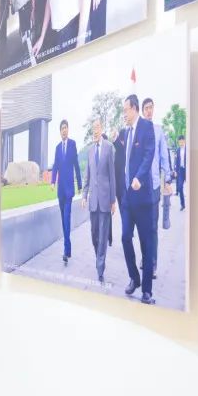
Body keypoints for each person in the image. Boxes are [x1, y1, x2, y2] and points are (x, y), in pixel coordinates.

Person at [116, 95, 156, 305]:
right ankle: (134, 277)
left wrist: (139, 177)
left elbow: (149, 154)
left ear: (134, 109)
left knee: (146, 244)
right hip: (127, 198)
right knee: (125, 237)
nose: (124, 113)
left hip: (143, 197)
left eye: (125, 110)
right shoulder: (126, 132)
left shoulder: (146, 127)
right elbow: (125, 156)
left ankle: (147, 290)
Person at [82, 119, 116, 283]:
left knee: (102, 236)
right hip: (93, 201)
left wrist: (113, 200)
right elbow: (87, 176)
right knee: (94, 235)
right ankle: (99, 258)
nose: (95, 130)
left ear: (102, 129)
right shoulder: (90, 150)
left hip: (105, 199)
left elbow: (112, 175)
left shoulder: (109, 147)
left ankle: (100, 267)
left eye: (97, 127)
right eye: (93, 128)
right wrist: (84, 195)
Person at [142, 98, 171, 276]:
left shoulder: (159, 131)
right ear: (142, 111)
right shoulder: (138, 131)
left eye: (151, 108)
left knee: (152, 227)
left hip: (153, 187)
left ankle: (152, 264)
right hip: (140, 188)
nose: (149, 111)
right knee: (142, 226)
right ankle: (145, 257)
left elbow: (164, 157)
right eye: (146, 108)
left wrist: (167, 180)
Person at [50, 120, 82, 264]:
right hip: (60, 191)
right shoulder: (57, 148)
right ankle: (68, 250)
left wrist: (79, 184)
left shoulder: (72, 144)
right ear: (60, 131)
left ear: (68, 130)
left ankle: (65, 249)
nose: (64, 130)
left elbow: (76, 165)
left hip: (69, 190)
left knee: (67, 218)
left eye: (65, 128)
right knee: (63, 220)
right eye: (62, 128)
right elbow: (55, 166)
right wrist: (52, 182)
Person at [175, 135, 187, 211]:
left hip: (187, 170)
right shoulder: (178, 150)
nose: (181, 143)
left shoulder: (188, 149)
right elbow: (176, 161)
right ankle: (182, 204)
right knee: (179, 187)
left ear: (184, 141)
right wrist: (176, 171)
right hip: (180, 171)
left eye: (182, 142)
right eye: (180, 142)